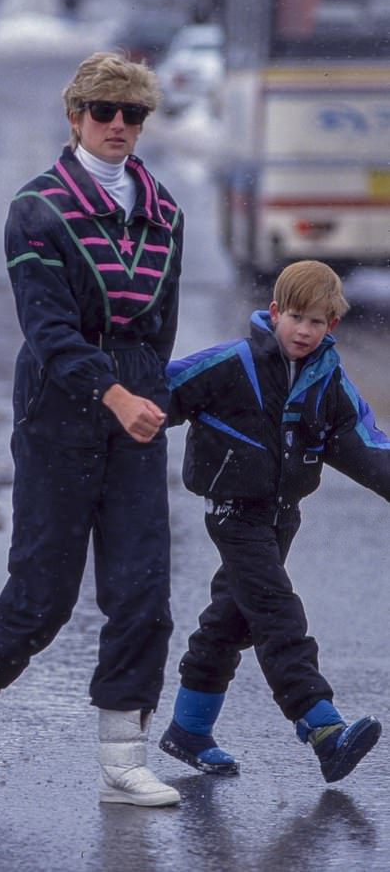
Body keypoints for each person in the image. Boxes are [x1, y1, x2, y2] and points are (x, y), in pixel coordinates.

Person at [0, 52, 184, 807]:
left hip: (134, 406)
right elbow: (46, 329)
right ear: (74, 116)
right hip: (60, 408)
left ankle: (122, 758)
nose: (117, 126)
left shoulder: (166, 210)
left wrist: (146, 391)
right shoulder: (36, 207)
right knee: (44, 593)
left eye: (131, 114)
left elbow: (159, 327)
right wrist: (110, 390)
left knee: (143, 587)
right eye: (102, 111)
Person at [158, 260, 386, 784]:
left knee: (231, 619)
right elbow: (157, 394)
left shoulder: (327, 380)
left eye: (318, 322)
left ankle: (189, 729)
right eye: (296, 318)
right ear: (275, 312)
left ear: (332, 326)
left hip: (283, 516)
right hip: (234, 513)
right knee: (277, 613)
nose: (304, 331)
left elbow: (366, 444)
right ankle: (322, 726)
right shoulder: (231, 362)